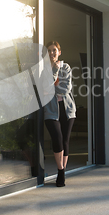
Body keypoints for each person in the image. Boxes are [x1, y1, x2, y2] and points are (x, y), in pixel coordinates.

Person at [44, 40, 76, 187]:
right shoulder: (43, 69)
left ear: (59, 52)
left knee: (65, 141)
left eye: (54, 50)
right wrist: (54, 73)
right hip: (51, 110)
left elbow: (65, 89)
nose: (51, 53)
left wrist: (51, 86)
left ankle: (61, 173)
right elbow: (44, 89)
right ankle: (60, 169)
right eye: (49, 50)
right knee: (57, 138)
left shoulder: (66, 67)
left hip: (67, 109)